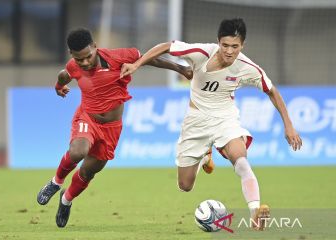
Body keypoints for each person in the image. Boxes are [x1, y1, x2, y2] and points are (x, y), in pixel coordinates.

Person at [120, 18, 303, 231]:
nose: (229, 51)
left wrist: (288, 125)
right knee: (185, 185)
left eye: (235, 46)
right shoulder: (202, 52)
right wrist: (136, 64)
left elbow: (271, 90)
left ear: (242, 45)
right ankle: (206, 153)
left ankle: (255, 211)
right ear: (218, 42)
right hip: (196, 121)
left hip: (225, 119)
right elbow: (166, 46)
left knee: (241, 160)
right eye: (225, 45)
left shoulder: (248, 68)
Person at [36, 28, 193, 228]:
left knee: (89, 172)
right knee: (77, 151)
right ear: (71, 55)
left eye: (88, 57)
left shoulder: (119, 57)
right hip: (87, 118)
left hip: (111, 127)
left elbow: (148, 59)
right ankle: (56, 182)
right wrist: (58, 87)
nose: (84, 62)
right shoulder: (74, 66)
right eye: (79, 59)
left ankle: (66, 200)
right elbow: (63, 75)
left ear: (95, 47)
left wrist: (181, 69)